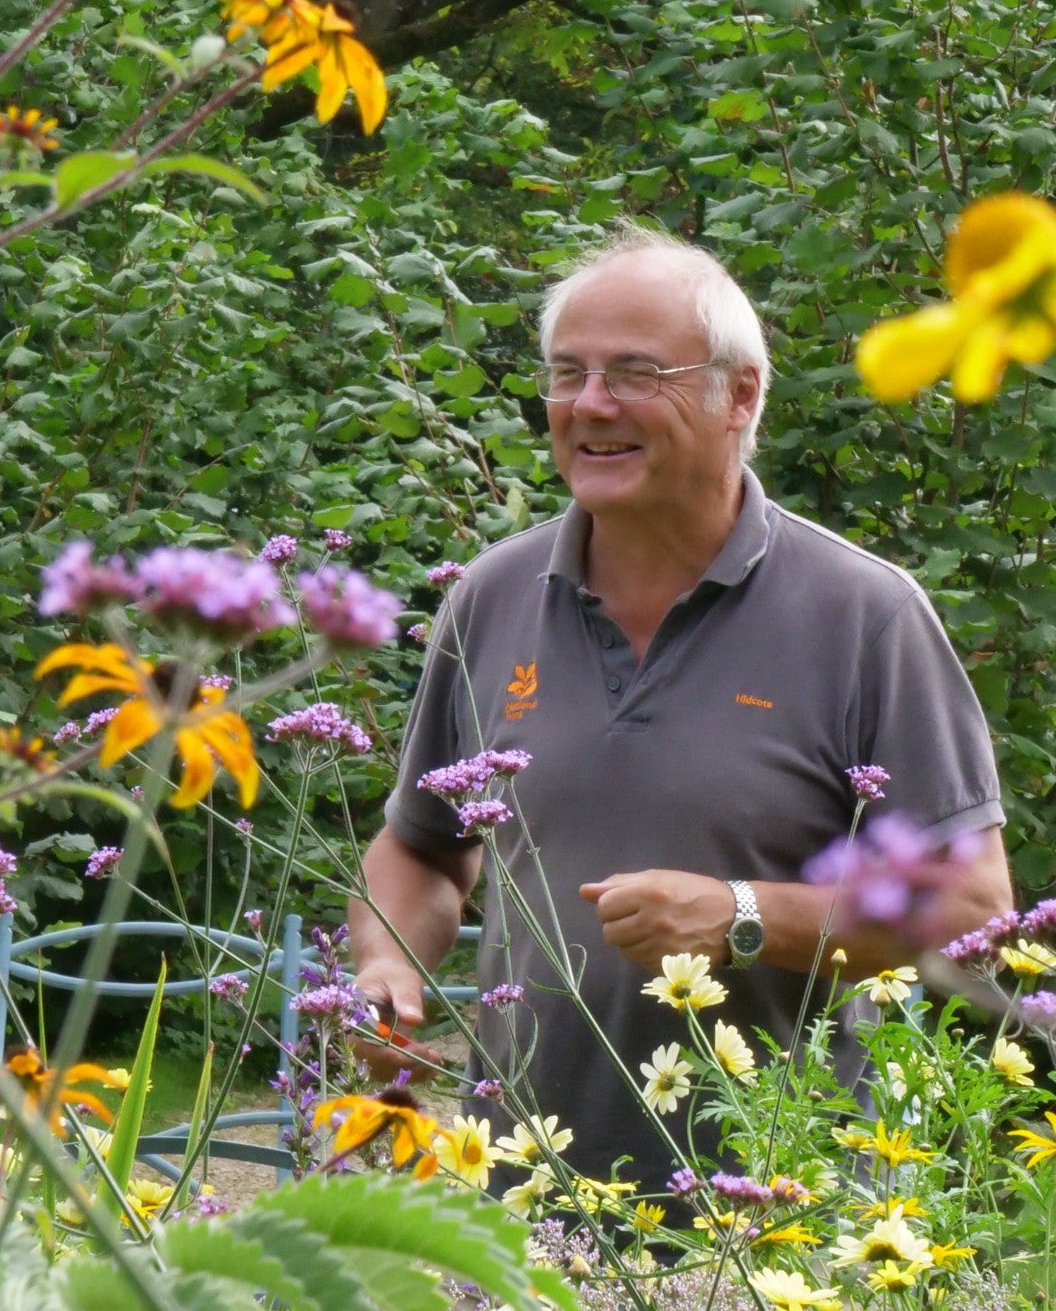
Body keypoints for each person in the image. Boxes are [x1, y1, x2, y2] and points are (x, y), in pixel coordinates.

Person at [347, 227, 1015, 1186]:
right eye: (566, 374)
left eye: (634, 373)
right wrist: (388, 967)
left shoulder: (864, 616)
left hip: (784, 1223)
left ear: (739, 394)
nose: (590, 405)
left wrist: (744, 916)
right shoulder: (491, 598)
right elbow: (420, 847)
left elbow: (976, 910)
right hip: (523, 1206)